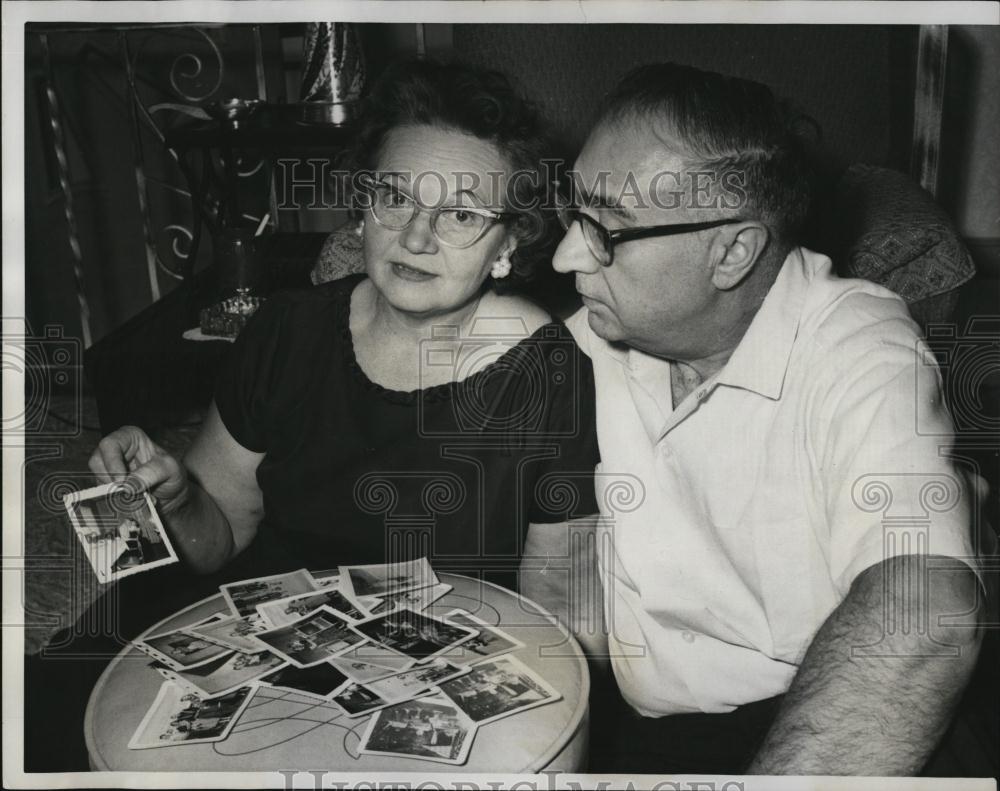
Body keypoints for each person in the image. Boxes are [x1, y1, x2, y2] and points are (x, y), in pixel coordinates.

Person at [25, 60, 599, 771]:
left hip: (428, 671)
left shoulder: (548, 371)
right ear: (362, 207)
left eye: (460, 215)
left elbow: (558, 595)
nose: (416, 237)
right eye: (394, 196)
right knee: (45, 716)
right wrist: (171, 497)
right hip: (258, 637)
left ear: (508, 246)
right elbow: (222, 531)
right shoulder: (287, 330)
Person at [534, 62, 989, 775]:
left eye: (606, 228)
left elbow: (923, 611)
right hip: (632, 731)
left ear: (733, 251)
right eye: (573, 212)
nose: (567, 255)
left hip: (832, 721)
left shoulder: (862, 349)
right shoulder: (591, 337)